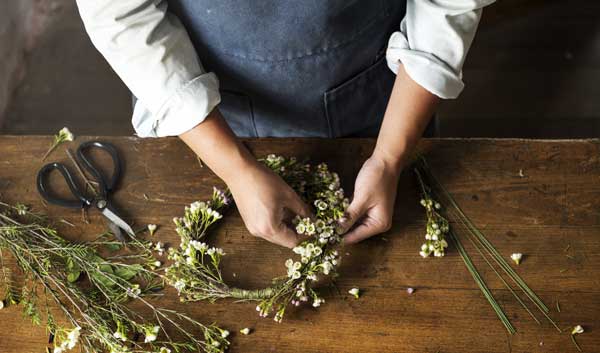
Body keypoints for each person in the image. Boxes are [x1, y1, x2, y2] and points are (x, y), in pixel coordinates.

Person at [75, 0, 494, 248]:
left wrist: (387, 157)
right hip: (194, 107)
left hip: (374, 96)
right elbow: (121, 15)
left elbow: (448, 6)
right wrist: (236, 169)